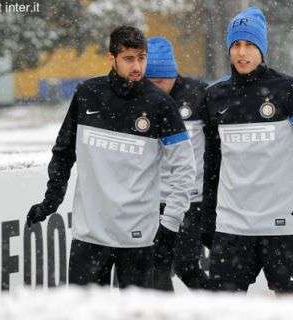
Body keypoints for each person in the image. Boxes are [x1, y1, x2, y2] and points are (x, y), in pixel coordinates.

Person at [26, 26, 196, 289]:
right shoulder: (87, 94)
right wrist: (51, 201)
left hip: (139, 239)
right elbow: (63, 153)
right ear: (111, 58)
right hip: (89, 236)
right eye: (129, 59)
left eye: (141, 58)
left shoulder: (160, 104)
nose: (137, 66)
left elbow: (185, 169)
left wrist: (170, 226)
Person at [201, 7, 293, 294]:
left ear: (262, 47)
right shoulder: (214, 96)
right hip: (233, 228)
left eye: (249, 44)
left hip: (284, 225)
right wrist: (206, 215)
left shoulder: (288, 89)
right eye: (236, 44)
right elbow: (211, 163)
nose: (242, 52)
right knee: (223, 312)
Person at [145, 36, 210, 291]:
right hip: (152, 200)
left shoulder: (198, 94)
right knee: (156, 266)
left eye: (162, 80)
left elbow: (217, 146)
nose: (156, 87)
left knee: (185, 266)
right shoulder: (139, 97)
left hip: (191, 200)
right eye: (151, 81)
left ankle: (221, 309)